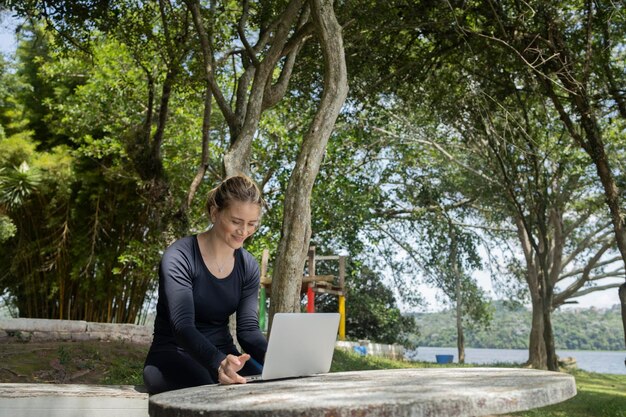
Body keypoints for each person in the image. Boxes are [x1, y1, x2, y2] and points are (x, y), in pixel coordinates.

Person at [143, 174, 267, 394]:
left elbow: (248, 331)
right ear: (214, 213)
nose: (244, 231)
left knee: (271, 385)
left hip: (226, 354)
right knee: (211, 389)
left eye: (251, 224)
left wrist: (282, 360)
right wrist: (219, 362)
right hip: (174, 353)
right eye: (236, 222)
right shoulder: (180, 257)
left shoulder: (248, 266)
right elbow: (182, 326)